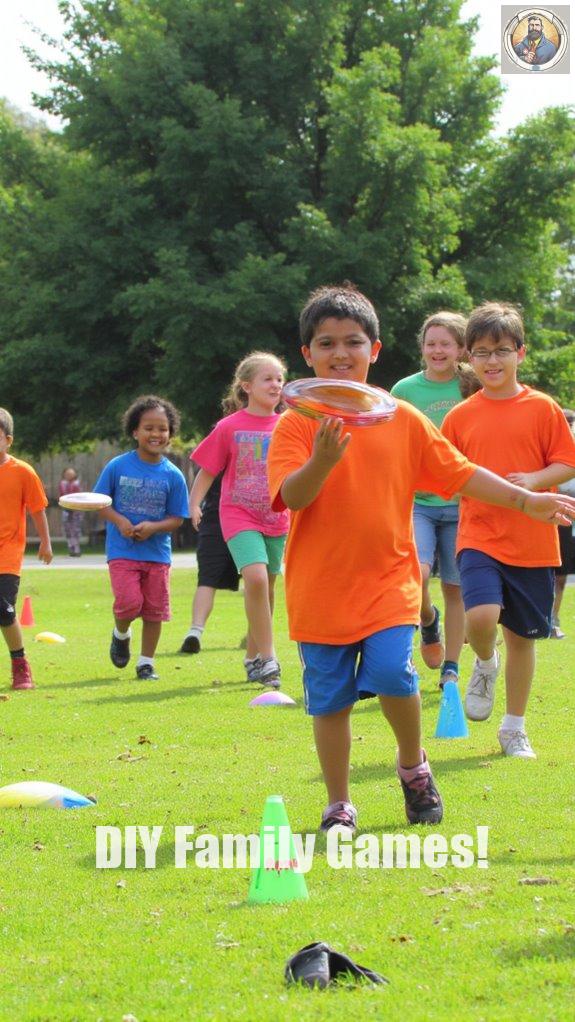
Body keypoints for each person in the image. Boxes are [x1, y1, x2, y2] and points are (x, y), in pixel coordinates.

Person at [267, 284, 575, 830]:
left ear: (375, 350)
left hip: (389, 581)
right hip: (319, 587)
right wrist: (322, 460)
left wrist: (527, 499)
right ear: (307, 356)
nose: (341, 353)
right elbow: (292, 496)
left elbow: (460, 473)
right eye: (327, 343)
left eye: (354, 342)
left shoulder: (402, 418)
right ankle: (339, 802)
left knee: (393, 673)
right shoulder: (295, 424)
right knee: (330, 700)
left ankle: (413, 765)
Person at [442, 303, 575, 759]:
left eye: (501, 351)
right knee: (480, 618)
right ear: (469, 359)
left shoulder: (543, 407)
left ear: (521, 352)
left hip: (534, 541)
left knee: (523, 638)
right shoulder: (460, 416)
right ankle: (484, 661)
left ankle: (514, 729)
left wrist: (535, 481)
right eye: (481, 352)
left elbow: (566, 461)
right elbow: (446, 470)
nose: (492, 361)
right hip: (478, 535)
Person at [189, 352, 289, 688]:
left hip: (277, 515)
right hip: (238, 513)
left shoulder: (288, 425)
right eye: (267, 379)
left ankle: (252, 656)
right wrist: (194, 503)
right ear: (246, 386)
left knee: (268, 586)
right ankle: (269, 658)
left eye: (279, 378)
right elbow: (207, 471)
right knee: (256, 579)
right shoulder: (229, 427)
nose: (275, 384)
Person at [391, 312, 468, 688]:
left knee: (457, 586)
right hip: (418, 501)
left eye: (446, 343)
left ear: (461, 349)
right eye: (431, 343)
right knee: (417, 572)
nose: (437, 350)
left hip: (462, 502)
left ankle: (451, 668)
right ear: (421, 347)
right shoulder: (405, 390)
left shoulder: (472, 386)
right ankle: (427, 619)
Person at [94, 395, 189, 681]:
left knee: (154, 611)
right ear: (135, 431)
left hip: (157, 554)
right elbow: (100, 502)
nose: (156, 434)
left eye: (162, 428)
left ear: (170, 433)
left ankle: (146, 663)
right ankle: (120, 633)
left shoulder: (173, 475)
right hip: (122, 551)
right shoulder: (117, 466)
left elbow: (177, 518)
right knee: (128, 603)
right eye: (148, 428)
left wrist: (153, 527)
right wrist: (121, 521)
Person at [0, 408, 53, 690]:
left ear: (8, 440)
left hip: (7, 554)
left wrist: (45, 542)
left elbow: (37, 510)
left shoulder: (22, 472)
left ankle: (20, 667)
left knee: (4, 610)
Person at [180, 470, 240, 654]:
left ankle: (255, 635)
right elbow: (205, 472)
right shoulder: (219, 444)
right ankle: (195, 633)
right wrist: (195, 504)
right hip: (215, 519)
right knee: (207, 578)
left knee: (258, 578)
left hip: (251, 520)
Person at [59, 467, 82, 557]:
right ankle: (71, 548)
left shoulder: (77, 484)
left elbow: (79, 496)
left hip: (76, 510)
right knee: (67, 529)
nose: (69, 475)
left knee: (75, 529)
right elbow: (61, 495)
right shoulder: (62, 484)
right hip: (66, 509)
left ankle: (77, 549)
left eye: (71, 473)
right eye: (67, 474)